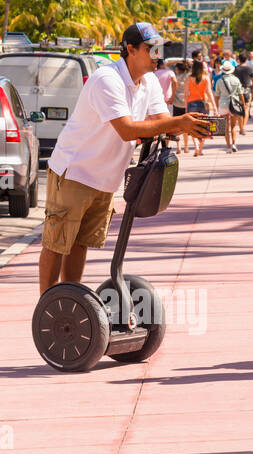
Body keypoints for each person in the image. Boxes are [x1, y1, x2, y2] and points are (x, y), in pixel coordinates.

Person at [40, 23, 211, 292]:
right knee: (57, 242)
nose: (158, 56)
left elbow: (163, 121)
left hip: (105, 177)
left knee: (80, 242)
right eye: (151, 49)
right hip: (74, 170)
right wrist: (179, 123)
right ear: (130, 50)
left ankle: (70, 304)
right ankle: (47, 308)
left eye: (159, 49)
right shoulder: (107, 80)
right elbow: (127, 130)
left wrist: (195, 125)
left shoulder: (150, 81)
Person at [184, 60, 216, 157]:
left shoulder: (189, 78)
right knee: (203, 126)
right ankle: (201, 149)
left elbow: (186, 94)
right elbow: (209, 93)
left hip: (191, 104)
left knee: (193, 127)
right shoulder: (205, 78)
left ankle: (196, 147)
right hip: (203, 104)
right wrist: (214, 106)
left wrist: (186, 107)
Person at [214, 60, 245, 153]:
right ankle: (234, 144)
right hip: (234, 105)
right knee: (233, 126)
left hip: (223, 105)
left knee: (225, 127)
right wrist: (243, 104)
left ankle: (228, 147)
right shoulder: (236, 80)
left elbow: (216, 96)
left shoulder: (219, 81)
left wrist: (216, 106)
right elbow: (241, 94)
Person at [234, 54, 253, 136]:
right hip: (247, 91)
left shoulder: (235, 69)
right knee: (246, 109)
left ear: (239, 59)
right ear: (246, 59)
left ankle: (240, 127)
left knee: (239, 110)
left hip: (237, 91)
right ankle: (243, 127)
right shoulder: (249, 69)